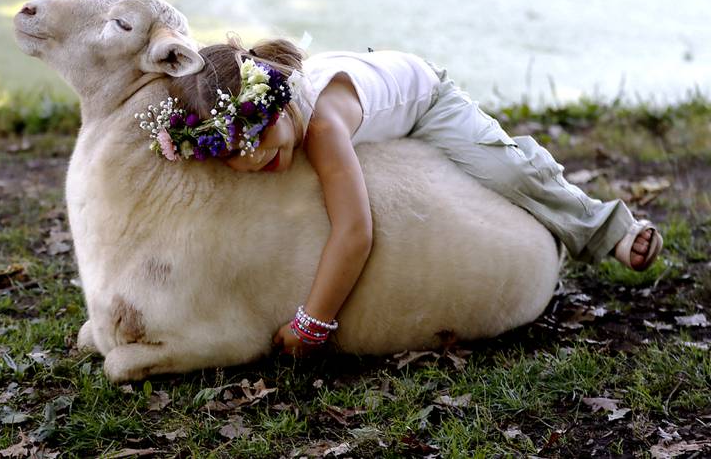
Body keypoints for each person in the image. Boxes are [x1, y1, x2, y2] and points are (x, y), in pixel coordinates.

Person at [147, 35, 663, 356]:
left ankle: (605, 227)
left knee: (505, 169)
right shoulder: (273, 128)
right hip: (369, 82)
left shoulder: (323, 128)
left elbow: (355, 233)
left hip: (425, 98)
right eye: (234, 153)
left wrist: (311, 325)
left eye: (260, 137)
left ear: (280, 106)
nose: (255, 158)